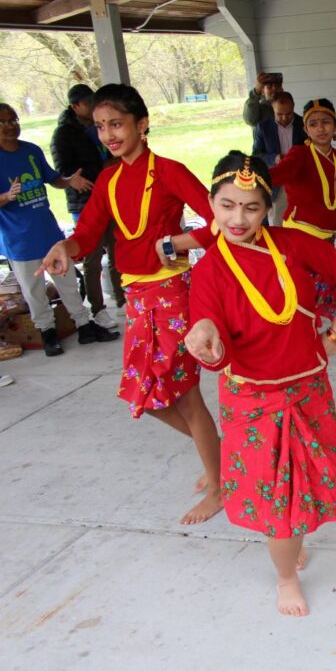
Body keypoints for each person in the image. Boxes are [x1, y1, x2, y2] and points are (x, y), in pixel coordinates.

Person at [185, 151, 336, 617]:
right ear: (210, 205)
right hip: (252, 397)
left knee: (316, 475)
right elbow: (209, 330)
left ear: (268, 209)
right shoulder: (208, 270)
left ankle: (290, 536)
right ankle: (285, 576)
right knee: (278, 495)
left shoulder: (292, 244)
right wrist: (204, 338)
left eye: (251, 207)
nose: (237, 218)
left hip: (308, 389)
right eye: (226, 206)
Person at [37, 84, 222, 525]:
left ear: (142, 125)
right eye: (100, 127)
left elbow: (220, 223)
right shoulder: (108, 179)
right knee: (147, 395)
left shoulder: (171, 172)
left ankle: (219, 486)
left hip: (174, 295)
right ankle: (218, 451)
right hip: (137, 299)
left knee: (185, 396)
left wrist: (176, 241)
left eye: (116, 124)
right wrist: (67, 246)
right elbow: (88, 231)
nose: (108, 134)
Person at [0, 103, 120, 357]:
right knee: (34, 290)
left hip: (47, 231)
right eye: (3, 122)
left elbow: (51, 178)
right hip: (19, 239)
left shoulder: (30, 150)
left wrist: (69, 181)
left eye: (14, 119)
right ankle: (47, 333)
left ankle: (84, 325)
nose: (10, 126)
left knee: (66, 282)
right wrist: (7, 197)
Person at [270, 98, 336, 376]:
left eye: (326, 122)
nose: (320, 128)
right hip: (296, 240)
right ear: (305, 128)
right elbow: (278, 175)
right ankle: (291, 355)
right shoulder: (299, 155)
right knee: (293, 298)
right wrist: (253, 173)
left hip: (325, 241)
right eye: (313, 123)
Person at [50, 83, 125, 326]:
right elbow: (63, 170)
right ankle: (98, 308)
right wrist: (83, 176)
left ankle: (123, 300)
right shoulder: (64, 134)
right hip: (84, 201)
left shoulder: (95, 127)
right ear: (75, 106)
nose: (94, 107)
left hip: (109, 195)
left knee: (117, 250)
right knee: (91, 257)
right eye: (88, 103)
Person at [252, 91, 307, 226]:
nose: (284, 118)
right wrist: (275, 158)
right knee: (277, 221)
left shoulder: (305, 125)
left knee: (302, 220)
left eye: (288, 114)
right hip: (277, 181)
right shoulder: (263, 127)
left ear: (294, 107)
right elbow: (256, 155)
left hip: (300, 179)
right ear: (272, 108)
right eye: (279, 114)